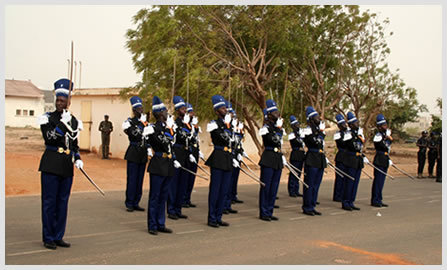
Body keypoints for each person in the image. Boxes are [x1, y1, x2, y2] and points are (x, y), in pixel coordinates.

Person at [37, 78, 84, 249]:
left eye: (63, 101)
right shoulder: (47, 118)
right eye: (57, 100)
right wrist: (62, 125)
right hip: (50, 163)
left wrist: (77, 158)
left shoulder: (74, 121)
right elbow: (49, 137)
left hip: (66, 165)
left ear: (68, 102)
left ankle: (58, 235)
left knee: (62, 202)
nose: (59, 103)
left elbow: (74, 143)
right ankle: (48, 237)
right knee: (49, 202)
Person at [146, 96, 179, 235]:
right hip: (158, 163)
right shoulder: (152, 128)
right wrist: (169, 129)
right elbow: (162, 143)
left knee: (163, 196)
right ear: (159, 113)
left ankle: (161, 223)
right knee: (155, 196)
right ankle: (152, 225)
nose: (167, 113)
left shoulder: (168, 128)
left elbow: (171, 147)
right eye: (165, 111)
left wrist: (175, 158)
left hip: (168, 164)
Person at [204, 95, 234, 228]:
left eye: (225, 107)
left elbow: (233, 140)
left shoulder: (229, 124)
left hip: (227, 157)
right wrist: (226, 125)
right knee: (216, 189)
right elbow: (221, 137)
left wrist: (229, 125)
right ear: (217, 111)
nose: (225, 110)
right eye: (222, 108)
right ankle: (212, 218)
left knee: (224, 190)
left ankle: (219, 216)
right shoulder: (213, 124)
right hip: (218, 156)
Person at [122, 96, 150, 212]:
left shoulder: (145, 123)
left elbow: (148, 138)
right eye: (138, 109)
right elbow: (134, 134)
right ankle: (129, 202)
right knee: (132, 179)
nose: (141, 111)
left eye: (141, 108)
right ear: (134, 111)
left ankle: (136, 202)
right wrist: (142, 125)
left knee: (140, 179)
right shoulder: (129, 122)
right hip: (133, 151)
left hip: (142, 153)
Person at [258, 99, 284, 221]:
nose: (277, 114)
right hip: (268, 158)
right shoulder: (265, 127)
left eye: (277, 111)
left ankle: (270, 210)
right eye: (274, 112)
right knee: (266, 187)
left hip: (277, 158)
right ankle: (264, 212)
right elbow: (272, 140)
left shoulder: (278, 127)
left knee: (274, 187)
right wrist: (278, 129)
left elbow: (280, 143)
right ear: (269, 114)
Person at [167, 96, 190, 220]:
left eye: (185, 108)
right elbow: (173, 139)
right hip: (177, 153)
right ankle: (171, 209)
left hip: (185, 155)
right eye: (182, 108)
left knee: (183, 183)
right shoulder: (174, 124)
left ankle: (178, 208)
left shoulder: (187, 124)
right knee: (174, 184)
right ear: (177, 110)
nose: (184, 110)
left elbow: (190, 139)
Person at [301, 106, 326, 216]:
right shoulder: (307, 130)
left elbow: (321, 143)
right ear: (311, 119)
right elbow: (315, 141)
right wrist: (321, 132)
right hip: (312, 157)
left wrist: (320, 132)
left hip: (319, 158)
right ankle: (307, 207)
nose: (319, 118)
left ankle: (313, 205)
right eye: (316, 117)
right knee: (309, 184)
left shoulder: (317, 130)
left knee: (316, 184)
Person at [341, 112, 364, 211]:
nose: (357, 124)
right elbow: (351, 146)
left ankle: (351, 201)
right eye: (355, 123)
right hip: (350, 160)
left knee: (355, 183)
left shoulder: (357, 134)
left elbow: (360, 147)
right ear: (350, 125)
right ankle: (346, 202)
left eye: (357, 122)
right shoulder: (348, 134)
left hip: (358, 160)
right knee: (349, 182)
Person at [182, 103, 203, 208]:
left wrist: (198, 151)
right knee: (185, 177)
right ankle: (182, 199)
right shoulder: (184, 125)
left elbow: (196, 139)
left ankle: (187, 198)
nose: (192, 114)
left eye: (192, 112)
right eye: (190, 112)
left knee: (191, 177)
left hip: (194, 152)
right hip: (187, 153)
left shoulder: (193, 126)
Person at [371, 113, 392, 208]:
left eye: (385, 124)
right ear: (379, 127)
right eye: (383, 125)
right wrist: (389, 140)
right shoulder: (378, 136)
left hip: (384, 159)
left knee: (382, 181)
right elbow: (384, 146)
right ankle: (375, 200)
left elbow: (387, 149)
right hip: (379, 159)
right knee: (378, 181)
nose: (385, 127)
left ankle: (379, 199)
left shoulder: (384, 135)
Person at [223, 101, 240, 214]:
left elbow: (236, 141)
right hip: (224, 156)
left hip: (232, 154)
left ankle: (227, 204)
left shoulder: (232, 126)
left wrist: (240, 152)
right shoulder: (221, 125)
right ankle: (223, 205)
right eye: (231, 114)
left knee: (231, 181)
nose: (232, 116)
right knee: (225, 184)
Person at [287, 115, 305, 198]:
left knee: (298, 173)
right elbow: (296, 142)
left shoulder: (300, 133)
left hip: (301, 154)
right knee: (294, 173)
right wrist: (299, 136)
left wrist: (301, 135)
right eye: (296, 125)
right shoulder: (292, 135)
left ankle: (296, 189)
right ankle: (291, 190)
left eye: (298, 124)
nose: (298, 126)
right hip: (295, 153)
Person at [332, 114, 348, 202]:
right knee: (339, 177)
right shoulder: (338, 134)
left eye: (345, 124)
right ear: (339, 126)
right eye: (342, 124)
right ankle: (337, 195)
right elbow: (342, 144)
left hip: (347, 157)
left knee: (345, 177)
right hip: (341, 156)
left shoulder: (348, 133)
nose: (344, 126)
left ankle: (343, 194)